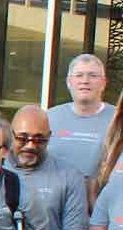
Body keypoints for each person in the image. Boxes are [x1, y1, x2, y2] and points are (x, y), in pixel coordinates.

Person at [46, 52, 113, 181]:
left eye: (92, 75)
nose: (85, 81)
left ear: (103, 83)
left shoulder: (118, 120)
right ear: (69, 82)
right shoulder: (49, 118)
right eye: (79, 75)